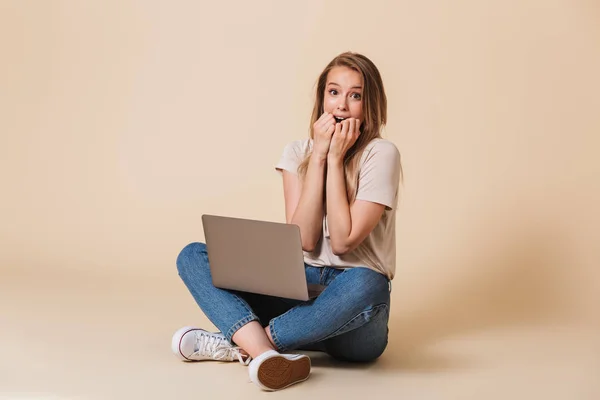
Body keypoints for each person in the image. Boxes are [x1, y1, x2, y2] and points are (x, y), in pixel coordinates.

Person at [172, 51, 403, 391]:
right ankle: (268, 354)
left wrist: (336, 159)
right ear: (322, 97)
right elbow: (305, 240)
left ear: (371, 105)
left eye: (355, 95)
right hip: (300, 294)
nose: (341, 105)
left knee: (370, 284)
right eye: (333, 92)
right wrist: (319, 157)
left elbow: (342, 241)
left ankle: (245, 345)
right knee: (192, 255)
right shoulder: (297, 152)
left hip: (352, 319)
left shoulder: (381, 154)